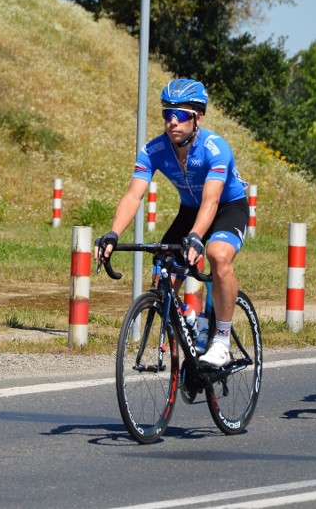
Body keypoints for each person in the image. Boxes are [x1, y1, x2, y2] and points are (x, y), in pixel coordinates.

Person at [94, 78, 250, 368]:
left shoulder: (215, 149)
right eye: (168, 114)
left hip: (227, 207)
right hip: (190, 210)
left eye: (180, 115)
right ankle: (190, 320)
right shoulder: (153, 151)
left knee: (217, 255)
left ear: (198, 117)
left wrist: (195, 237)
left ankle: (221, 341)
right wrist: (114, 233)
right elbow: (133, 195)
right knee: (162, 279)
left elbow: (212, 201)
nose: (172, 122)